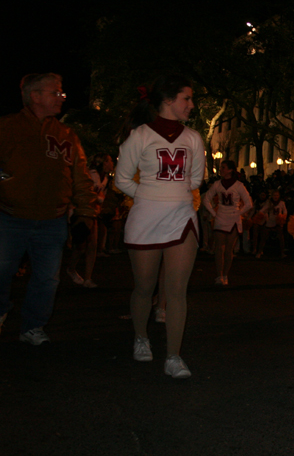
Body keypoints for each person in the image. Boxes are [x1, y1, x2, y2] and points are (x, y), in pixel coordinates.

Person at [116, 75, 204, 379]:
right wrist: (149, 196)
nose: (192, 105)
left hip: (181, 216)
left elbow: (195, 179)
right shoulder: (139, 136)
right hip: (145, 218)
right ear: (168, 100)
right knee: (144, 286)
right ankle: (141, 336)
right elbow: (122, 179)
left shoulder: (193, 138)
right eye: (187, 99)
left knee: (176, 290)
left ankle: (173, 356)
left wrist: (174, 196)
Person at [0, 73, 99, 344]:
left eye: (62, 93)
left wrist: (85, 214)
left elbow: (80, 177)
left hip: (52, 220)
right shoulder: (7, 127)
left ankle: (33, 326)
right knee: (1, 271)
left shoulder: (67, 134)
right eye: (55, 92)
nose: (61, 98)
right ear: (35, 96)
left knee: (47, 280)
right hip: (10, 218)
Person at [66, 153, 113, 288]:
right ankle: (71, 268)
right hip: (82, 212)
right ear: (103, 163)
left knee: (92, 244)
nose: (112, 164)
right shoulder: (92, 175)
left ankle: (87, 278)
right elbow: (86, 192)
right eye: (109, 161)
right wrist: (98, 198)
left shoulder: (105, 179)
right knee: (80, 246)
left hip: (93, 213)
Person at [203, 160, 253, 285]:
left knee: (229, 249)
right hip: (220, 218)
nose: (221, 170)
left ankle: (225, 275)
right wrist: (214, 214)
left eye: (223, 168)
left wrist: (238, 213)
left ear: (230, 170)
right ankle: (219, 275)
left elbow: (249, 204)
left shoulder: (239, 186)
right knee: (219, 249)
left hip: (233, 219)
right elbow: (206, 200)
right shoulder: (217, 184)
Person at [254, 190, 287, 259]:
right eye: (274, 195)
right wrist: (261, 214)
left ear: (279, 196)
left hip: (278, 222)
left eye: (277, 195)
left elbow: (285, 211)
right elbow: (262, 210)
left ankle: (282, 253)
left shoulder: (282, 203)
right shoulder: (268, 203)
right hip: (270, 221)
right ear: (272, 196)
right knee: (264, 237)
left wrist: (282, 217)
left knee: (281, 238)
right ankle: (259, 252)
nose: (275, 197)